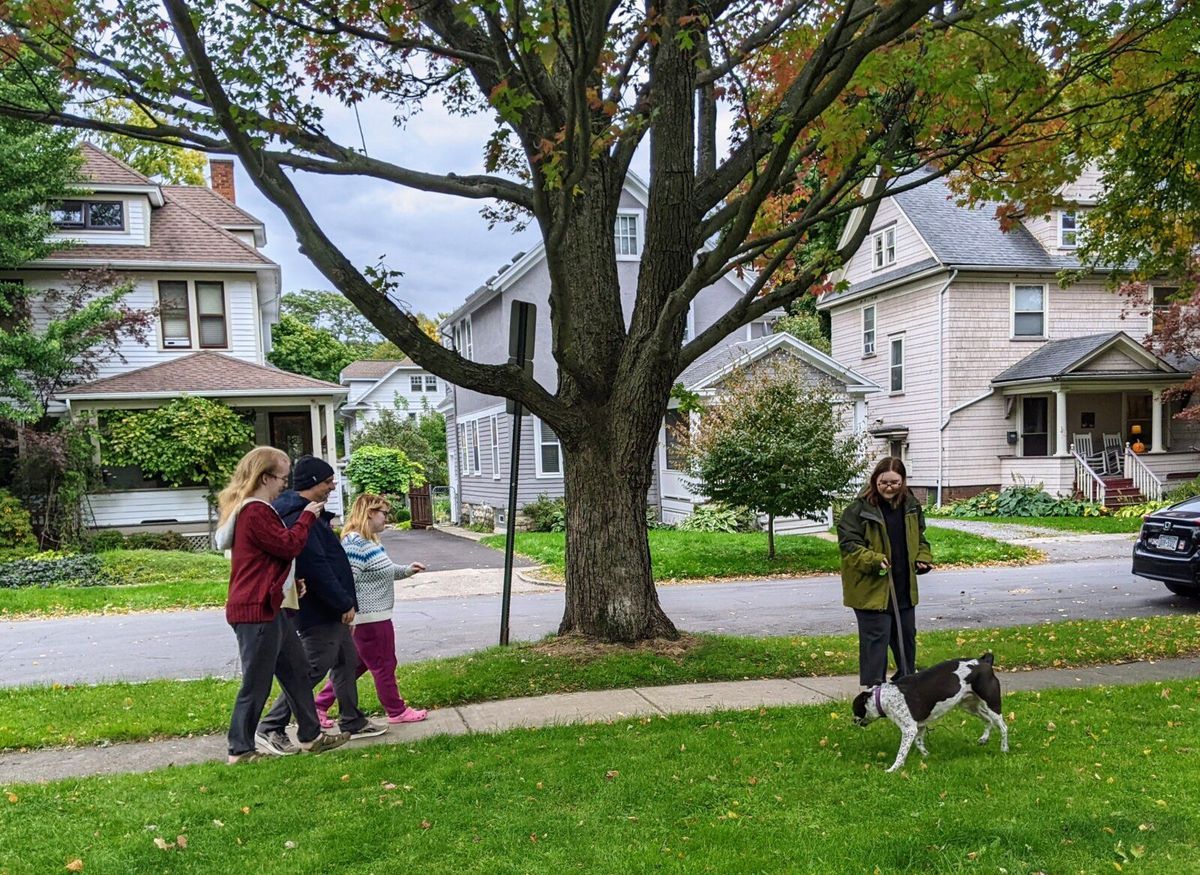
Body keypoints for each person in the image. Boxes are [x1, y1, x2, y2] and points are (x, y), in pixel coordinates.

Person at [214, 446, 350, 764]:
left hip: (272, 607)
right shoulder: (254, 510)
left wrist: (290, 582)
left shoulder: (257, 510)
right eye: (281, 479)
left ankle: (311, 735)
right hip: (255, 610)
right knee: (256, 682)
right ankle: (240, 749)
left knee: (297, 671)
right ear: (264, 477)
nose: (283, 486)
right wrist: (305, 518)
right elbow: (287, 545)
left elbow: (267, 557)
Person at [253, 455, 389, 756]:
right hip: (319, 608)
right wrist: (342, 602)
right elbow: (315, 565)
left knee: (346, 661)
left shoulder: (312, 513)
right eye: (328, 481)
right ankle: (270, 726)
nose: (332, 486)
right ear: (313, 483)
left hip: (330, 605)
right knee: (311, 668)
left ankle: (352, 720)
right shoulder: (299, 515)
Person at [314, 494, 430, 725]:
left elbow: (383, 570)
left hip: (374, 616)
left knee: (356, 665)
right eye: (384, 514)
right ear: (369, 513)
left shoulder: (371, 541)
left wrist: (407, 570)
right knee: (385, 664)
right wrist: (348, 612)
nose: (387, 518)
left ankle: (319, 705)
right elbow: (347, 579)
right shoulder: (355, 544)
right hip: (370, 618)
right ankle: (396, 710)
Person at [836, 456, 934, 688]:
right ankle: (874, 691)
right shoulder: (858, 509)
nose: (889, 487)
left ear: (903, 481)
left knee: (906, 638)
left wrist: (923, 558)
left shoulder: (910, 505)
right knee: (875, 642)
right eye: (884, 483)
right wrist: (874, 559)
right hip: (871, 589)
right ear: (874, 481)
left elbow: (920, 538)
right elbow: (849, 545)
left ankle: (906, 684)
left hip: (903, 586)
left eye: (895, 482)